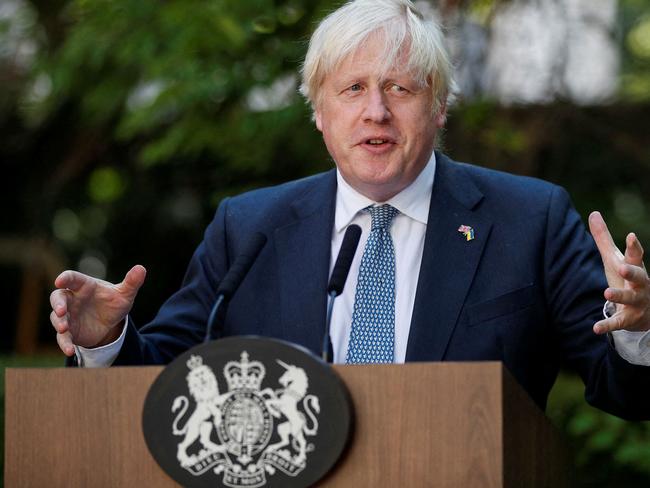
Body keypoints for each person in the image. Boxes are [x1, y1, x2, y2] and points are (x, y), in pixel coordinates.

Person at [50, 0, 650, 419]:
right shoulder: (250, 228)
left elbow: (625, 393)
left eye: (400, 88)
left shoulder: (530, 219)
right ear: (320, 112)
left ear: (439, 108)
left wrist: (640, 333)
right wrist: (107, 343)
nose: (376, 112)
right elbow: (168, 382)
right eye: (353, 88)